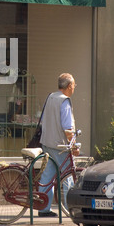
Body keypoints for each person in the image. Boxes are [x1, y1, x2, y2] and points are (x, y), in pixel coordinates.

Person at [38, 73, 77, 217]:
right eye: (74, 85)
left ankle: (43, 208)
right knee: (68, 177)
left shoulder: (50, 97)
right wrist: (74, 146)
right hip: (60, 146)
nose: (74, 88)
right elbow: (68, 129)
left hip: (47, 142)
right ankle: (71, 209)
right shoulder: (64, 101)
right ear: (69, 86)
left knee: (48, 175)